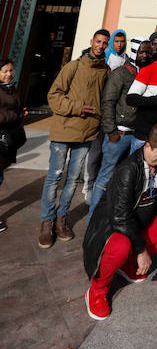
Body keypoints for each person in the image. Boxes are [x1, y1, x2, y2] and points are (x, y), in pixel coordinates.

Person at [83, 121, 157, 321]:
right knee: (122, 246)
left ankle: (129, 265)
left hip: (138, 224)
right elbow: (120, 217)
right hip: (111, 229)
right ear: (147, 146)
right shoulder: (128, 169)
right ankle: (97, 289)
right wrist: (141, 251)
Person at [39, 29, 110, 250]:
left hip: (86, 133)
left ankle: (62, 219)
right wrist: (76, 107)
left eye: (104, 43)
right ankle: (46, 222)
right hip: (64, 130)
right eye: (98, 41)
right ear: (91, 42)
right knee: (54, 177)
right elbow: (54, 95)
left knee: (72, 180)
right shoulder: (73, 66)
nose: (100, 45)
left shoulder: (105, 71)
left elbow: (104, 101)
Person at [88, 39, 152, 216]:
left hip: (137, 135)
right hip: (119, 135)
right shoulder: (121, 73)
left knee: (126, 181)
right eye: (141, 52)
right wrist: (111, 130)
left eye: (147, 52)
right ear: (134, 53)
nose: (145, 55)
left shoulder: (144, 73)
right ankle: (93, 220)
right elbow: (108, 101)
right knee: (105, 178)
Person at [0, 59, 26, 233]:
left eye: (11, 70)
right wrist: (14, 115)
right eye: (5, 71)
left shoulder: (12, 88)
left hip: (6, 141)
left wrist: (21, 111)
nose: (9, 74)